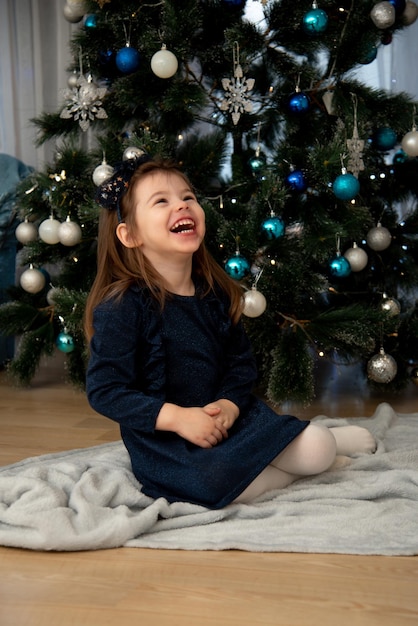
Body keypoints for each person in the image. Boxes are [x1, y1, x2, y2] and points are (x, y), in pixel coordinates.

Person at [85, 154, 376, 509]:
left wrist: (227, 406)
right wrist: (176, 418)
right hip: (168, 441)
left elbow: (240, 366)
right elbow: (106, 390)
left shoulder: (214, 293)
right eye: (161, 201)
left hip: (229, 421)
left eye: (187, 197)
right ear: (129, 235)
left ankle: (316, 449)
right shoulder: (123, 306)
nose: (181, 206)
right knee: (210, 483)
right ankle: (291, 471)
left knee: (319, 447)